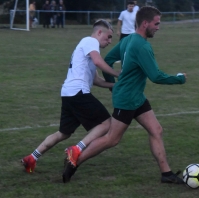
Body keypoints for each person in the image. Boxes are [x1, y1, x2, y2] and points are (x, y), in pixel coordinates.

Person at [62, 6, 187, 185]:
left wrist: (114, 86)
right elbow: (156, 76)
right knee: (112, 139)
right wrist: (179, 79)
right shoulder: (142, 46)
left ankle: (166, 173)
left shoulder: (129, 40)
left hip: (135, 96)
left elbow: (109, 60)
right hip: (127, 100)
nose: (158, 27)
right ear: (145, 23)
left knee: (156, 130)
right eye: (156, 23)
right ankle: (74, 161)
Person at [21, 20, 120, 173]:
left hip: (68, 93)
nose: (109, 41)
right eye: (108, 37)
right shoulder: (90, 41)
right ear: (99, 32)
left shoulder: (88, 48)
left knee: (63, 133)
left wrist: (115, 85)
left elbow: (96, 80)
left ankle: (32, 158)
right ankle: (77, 149)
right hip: (78, 92)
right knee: (107, 123)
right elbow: (98, 61)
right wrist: (119, 74)